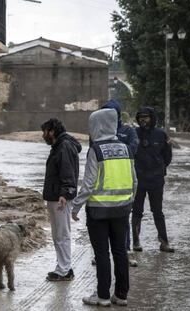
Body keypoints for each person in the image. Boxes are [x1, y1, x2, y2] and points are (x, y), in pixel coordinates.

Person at [71, 108, 137, 306]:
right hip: (122, 210)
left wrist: (75, 207)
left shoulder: (96, 150)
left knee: (101, 254)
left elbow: (89, 184)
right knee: (120, 252)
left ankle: (103, 296)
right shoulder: (126, 148)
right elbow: (134, 181)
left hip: (98, 211)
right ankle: (122, 295)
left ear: (97, 126)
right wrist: (129, 202)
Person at [41, 118, 82, 281]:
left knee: (62, 234)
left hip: (60, 198)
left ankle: (64, 269)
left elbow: (67, 172)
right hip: (57, 196)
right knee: (58, 234)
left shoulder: (63, 146)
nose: (43, 136)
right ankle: (63, 267)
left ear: (51, 131)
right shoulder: (60, 145)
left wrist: (64, 194)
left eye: (44, 132)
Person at [101, 99, 139, 267]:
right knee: (101, 220)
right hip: (103, 181)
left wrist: (115, 149)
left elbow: (133, 149)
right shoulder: (98, 132)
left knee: (123, 219)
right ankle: (102, 253)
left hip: (122, 180)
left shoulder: (128, 131)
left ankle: (126, 251)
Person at [132, 107, 174, 252]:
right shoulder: (134, 134)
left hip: (156, 180)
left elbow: (167, 156)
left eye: (146, 117)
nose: (143, 120)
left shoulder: (160, 134)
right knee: (137, 211)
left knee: (158, 211)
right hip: (138, 180)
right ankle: (136, 242)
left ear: (152, 118)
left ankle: (164, 242)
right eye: (140, 117)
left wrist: (160, 169)